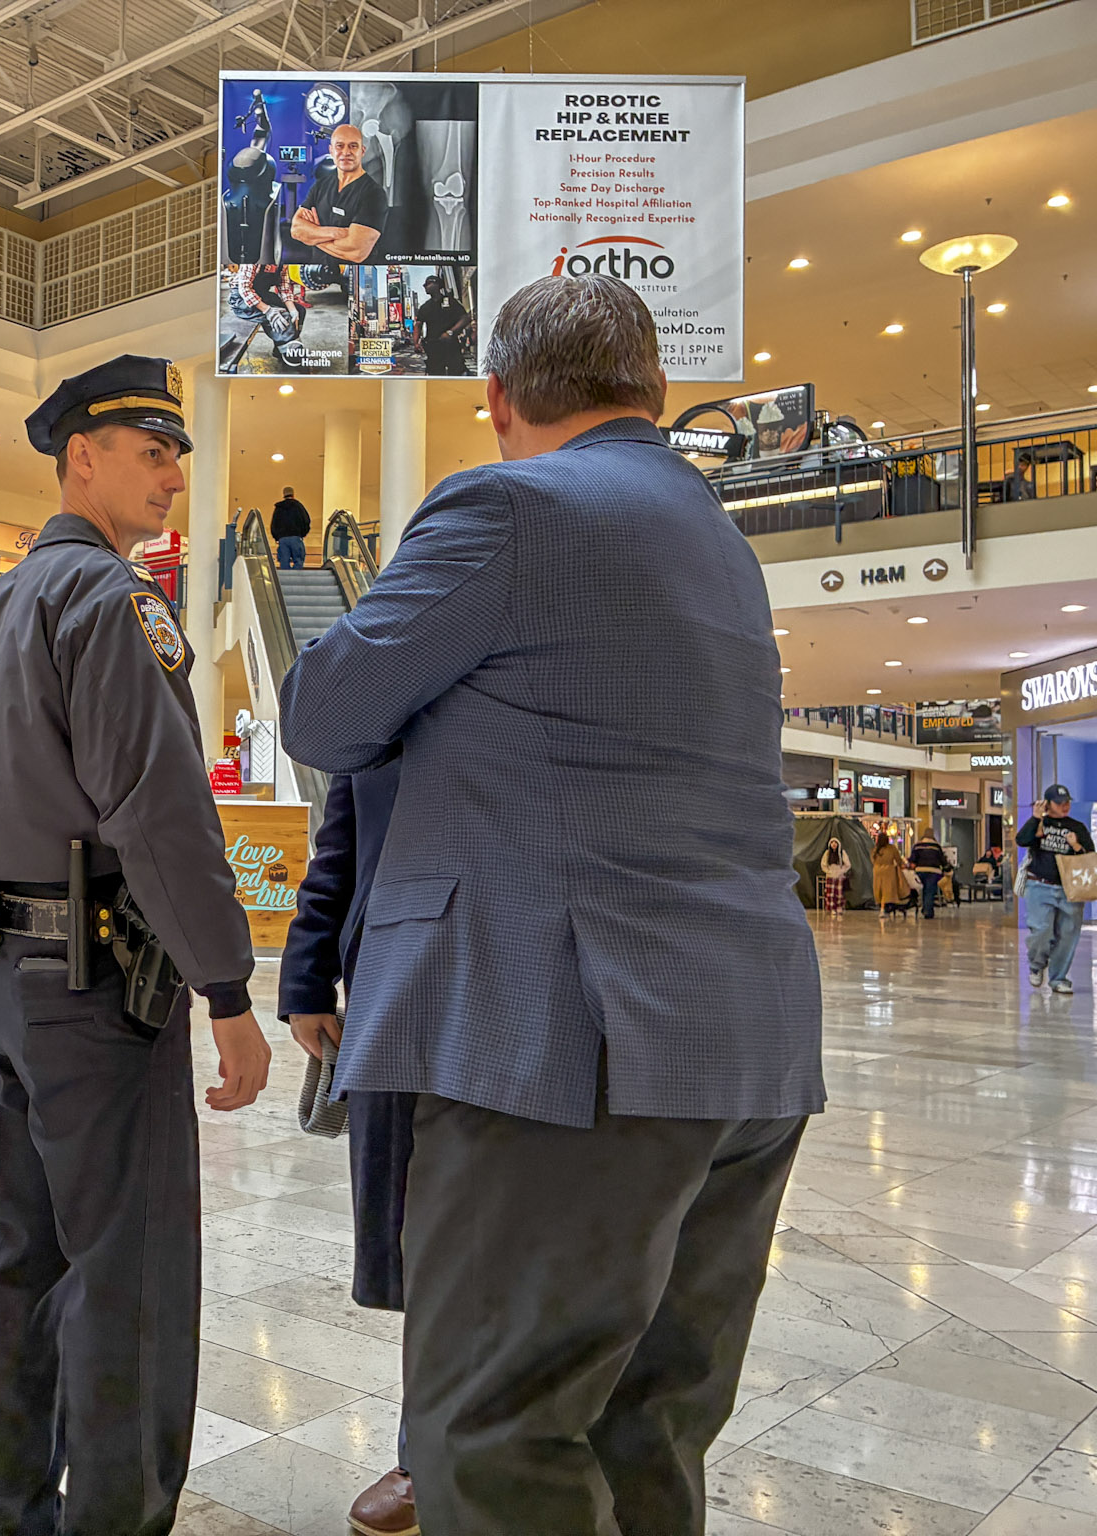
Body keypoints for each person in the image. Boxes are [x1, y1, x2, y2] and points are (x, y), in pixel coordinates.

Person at [279, 273, 824, 1536]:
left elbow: (323, 712)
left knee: (496, 1429)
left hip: (568, 1047)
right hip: (739, 1046)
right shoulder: (715, 538)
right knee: (649, 1423)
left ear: (496, 398)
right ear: (653, 392)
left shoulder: (504, 506)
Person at [0, 354, 273, 1536]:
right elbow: (161, 814)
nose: (174, 472)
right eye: (151, 448)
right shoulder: (114, 605)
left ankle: (13, 1507)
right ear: (81, 456)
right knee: (124, 1272)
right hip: (99, 993)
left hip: (7, 978)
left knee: (22, 1254)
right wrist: (226, 989)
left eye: (176, 450)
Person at [276, 765, 418, 1536]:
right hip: (390, 991)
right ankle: (425, 1452)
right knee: (406, 1230)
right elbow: (339, 848)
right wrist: (306, 976)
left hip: (518, 980)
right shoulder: (383, 692)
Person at [1018, 785, 1092, 994]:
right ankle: (1036, 964)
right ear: (1047, 804)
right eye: (1060, 803)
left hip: (1070, 889)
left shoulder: (1076, 827)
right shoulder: (1040, 823)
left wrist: (1076, 846)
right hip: (1039, 885)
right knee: (1041, 930)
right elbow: (1021, 840)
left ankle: (1058, 978)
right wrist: (1035, 818)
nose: (1065, 806)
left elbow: (1089, 855)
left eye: (1067, 802)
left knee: (1068, 934)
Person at [289, 122, 384, 264]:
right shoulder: (321, 185)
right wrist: (336, 233)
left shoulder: (373, 194)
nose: (346, 152)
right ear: (331, 150)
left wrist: (314, 235)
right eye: (340, 146)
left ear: (362, 151)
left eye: (353, 146)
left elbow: (357, 252)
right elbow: (296, 230)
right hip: (316, 269)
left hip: (351, 273)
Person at [416, 273, 473, 377]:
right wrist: (416, 342)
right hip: (433, 346)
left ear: (437, 285)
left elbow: (465, 318)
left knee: (456, 372)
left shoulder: (450, 302)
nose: (425, 286)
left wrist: (451, 332)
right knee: (435, 374)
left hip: (451, 345)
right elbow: (418, 325)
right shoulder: (425, 307)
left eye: (428, 284)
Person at [909, 830, 949, 919]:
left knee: (923, 890)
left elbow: (912, 860)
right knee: (930, 891)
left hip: (920, 870)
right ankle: (928, 911)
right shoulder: (936, 847)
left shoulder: (917, 846)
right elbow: (943, 861)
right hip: (934, 871)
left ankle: (925, 907)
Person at [270, 485, 312, 568]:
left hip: (282, 539)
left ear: (284, 495)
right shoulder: (298, 506)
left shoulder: (279, 508)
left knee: (284, 561)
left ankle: (286, 579)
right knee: (298, 560)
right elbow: (306, 521)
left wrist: (276, 537)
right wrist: (303, 533)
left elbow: (274, 524)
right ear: (293, 495)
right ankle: (296, 578)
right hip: (296, 537)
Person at [872, 830, 908, 917]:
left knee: (879, 889)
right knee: (887, 891)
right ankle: (884, 909)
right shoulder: (891, 848)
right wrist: (902, 865)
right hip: (889, 871)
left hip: (877, 871)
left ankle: (881, 907)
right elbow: (898, 859)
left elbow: (872, 860)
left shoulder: (875, 850)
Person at [819, 835, 850, 915]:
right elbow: (823, 864)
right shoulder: (827, 853)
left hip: (839, 876)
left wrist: (841, 871)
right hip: (830, 875)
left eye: (835, 842)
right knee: (830, 893)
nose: (834, 844)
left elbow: (847, 864)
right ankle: (832, 908)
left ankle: (839, 908)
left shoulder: (842, 853)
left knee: (839, 893)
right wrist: (828, 871)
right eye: (832, 842)